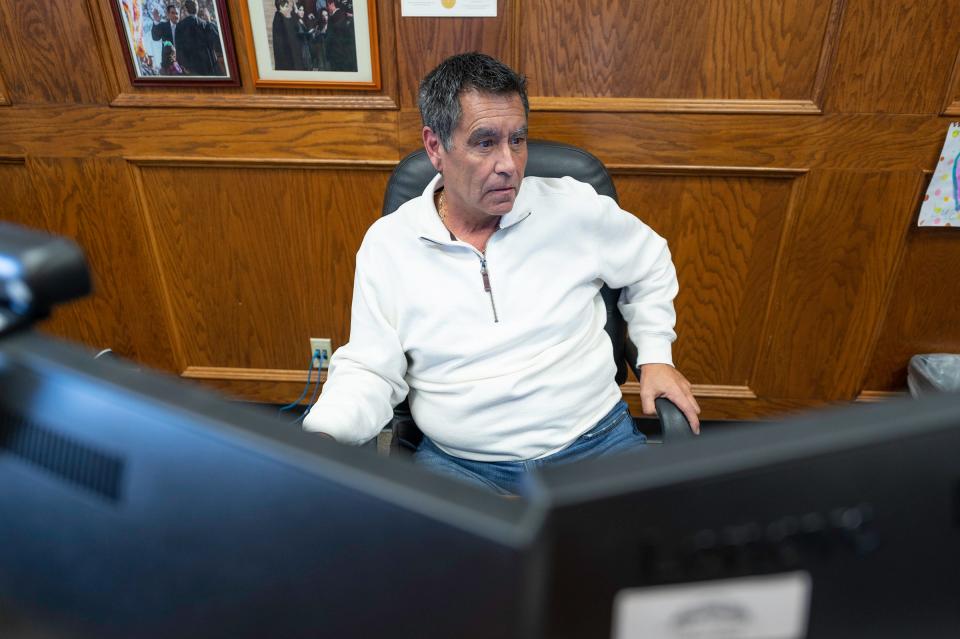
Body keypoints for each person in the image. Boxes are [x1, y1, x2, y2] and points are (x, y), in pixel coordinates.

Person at [303, 53, 700, 495]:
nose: (509, 164)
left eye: (518, 140)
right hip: (462, 466)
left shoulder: (574, 207)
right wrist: (324, 436)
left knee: (657, 553)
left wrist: (656, 355)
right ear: (435, 147)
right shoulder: (389, 245)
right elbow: (370, 368)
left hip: (595, 445)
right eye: (485, 142)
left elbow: (651, 262)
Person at [174, 0, 218, 75]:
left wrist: (185, 67)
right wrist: (209, 21)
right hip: (209, 67)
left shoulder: (179, 26)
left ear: (186, 10)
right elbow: (216, 42)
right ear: (197, 8)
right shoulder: (205, 24)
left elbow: (179, 49)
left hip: (191, 70)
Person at [323, 0, 356, 71]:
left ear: (331, 4)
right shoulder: (344, 14)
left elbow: (330, 37)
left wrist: (327, 54)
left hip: (336, 53)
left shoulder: (333, 18)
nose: (327, 8)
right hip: (345, 53)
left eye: (327, 6)